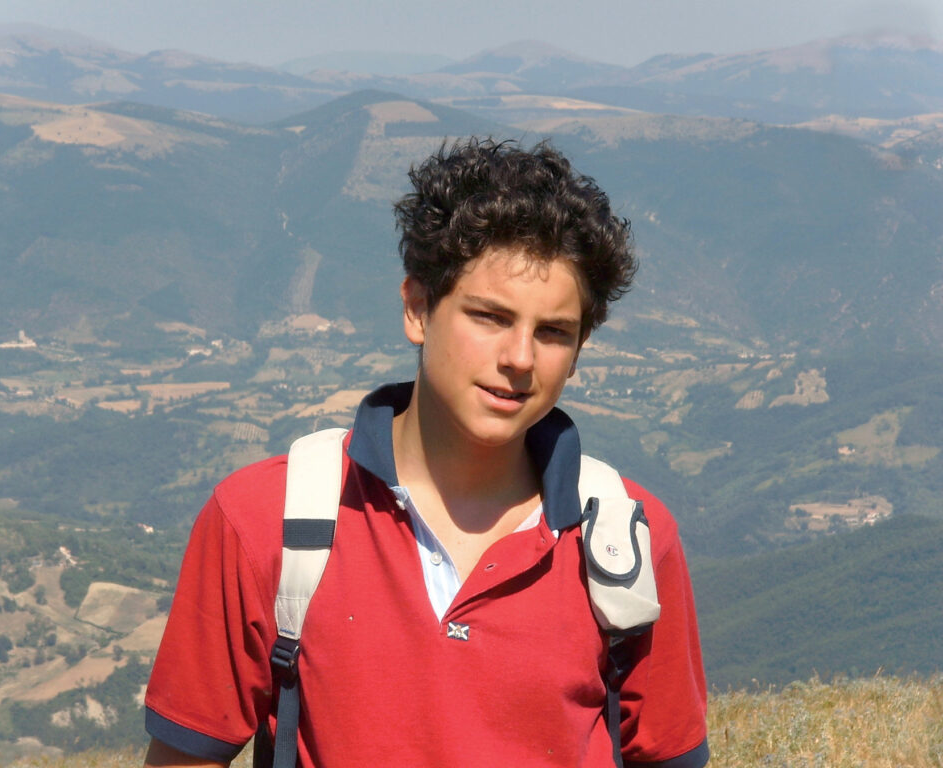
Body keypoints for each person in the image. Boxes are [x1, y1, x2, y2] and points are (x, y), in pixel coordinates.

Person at [143, 138, 709, 768]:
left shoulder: (628, 542)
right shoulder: (262, 522)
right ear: (417, 308)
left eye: (553, 332)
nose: (520, 358)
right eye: (490, 316)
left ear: (577, 352)